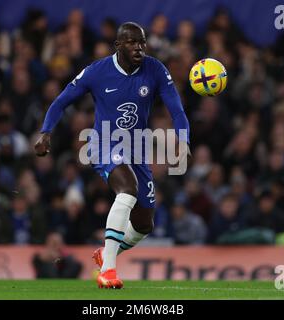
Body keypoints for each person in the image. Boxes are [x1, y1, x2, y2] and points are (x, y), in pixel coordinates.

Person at [35, 22, 190, 288]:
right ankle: (108, 271)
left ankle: (107, 253)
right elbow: (61, 101)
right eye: (132, 42)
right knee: (127, 190)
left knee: (144, 225)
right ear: (118, 45)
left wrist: (183, 140)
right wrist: (46, 131)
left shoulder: (155, 69)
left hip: (137, 149)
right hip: (103, 143)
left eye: (142, 42)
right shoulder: (97, 72)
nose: (139, 47)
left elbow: (176, 110)